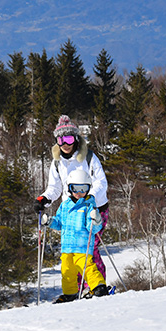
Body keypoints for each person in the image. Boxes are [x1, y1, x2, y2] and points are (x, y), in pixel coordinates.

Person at [34, 115, 109, 278]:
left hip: (94, 209)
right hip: (70, 211)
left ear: (75, 139)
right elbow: (54, 187)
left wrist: (90, 198)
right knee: (73, 251)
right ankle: (76, 288)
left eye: (68, 139)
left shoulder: (88, 157)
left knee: (89, 247)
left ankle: (97, 285)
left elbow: (101, 182)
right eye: (61, 140)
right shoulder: (56, 162)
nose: (65, 144)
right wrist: (44, 199)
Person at [49, 169, 109, 302]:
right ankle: (70, 293)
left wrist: (96, 220)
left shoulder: (89, 205)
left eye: (83, 188)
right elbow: (59, 223)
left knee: (87, 267)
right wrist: (49, 222)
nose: (79, 192)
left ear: (88, 188)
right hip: (67, 247)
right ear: (69, 188)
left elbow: (93, 228)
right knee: (67, 271)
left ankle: (99, 286)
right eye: (75, 188)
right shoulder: (64, 205)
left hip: (82, 246)